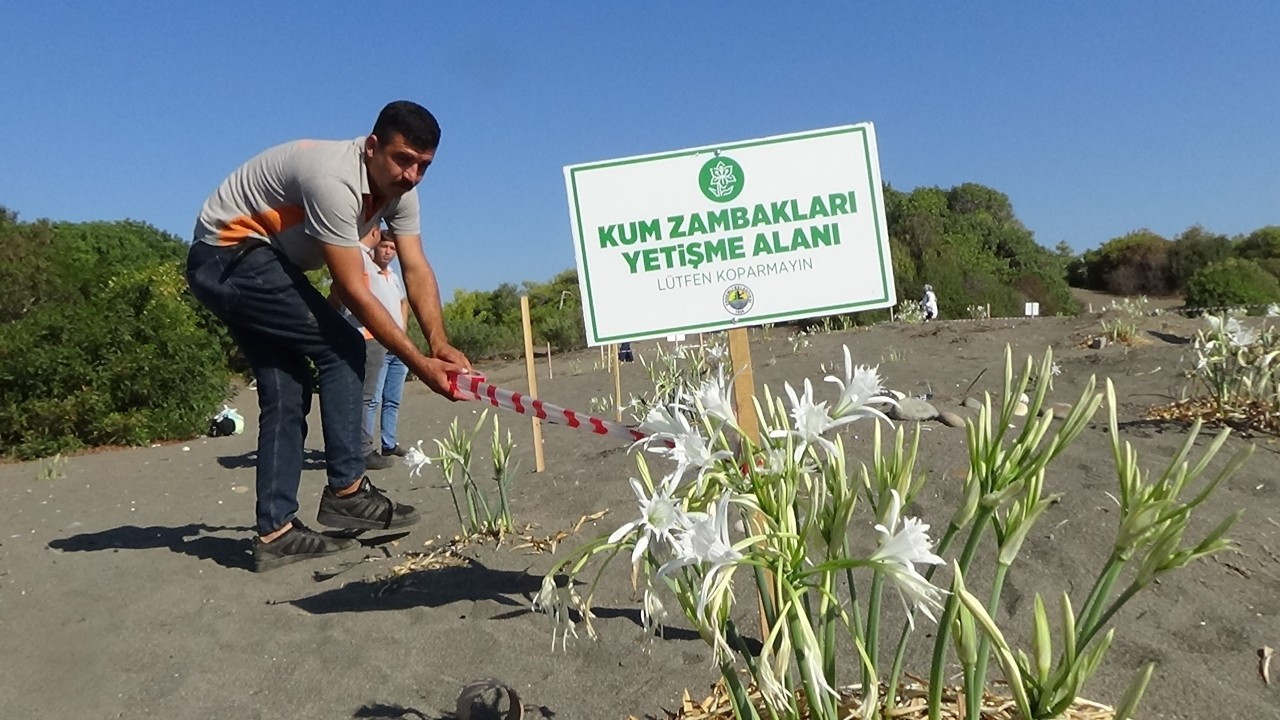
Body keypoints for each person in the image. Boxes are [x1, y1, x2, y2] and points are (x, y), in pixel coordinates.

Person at [186, 100, 472, 572]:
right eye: (403, 159)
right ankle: (347, 490)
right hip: (227, 254)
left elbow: (416, 268)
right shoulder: (333, 179)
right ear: (373, 146)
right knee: (342, 345)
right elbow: (355, 291)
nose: (413, 175)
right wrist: (422, 365)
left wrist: (438, 343)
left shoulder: (402, 192)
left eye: (424, 165)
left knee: (288, 384)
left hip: (263, 262)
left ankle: (275, 532)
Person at [328, 225, 409, 470]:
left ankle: (389, 442)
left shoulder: (393, 276)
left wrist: (402, 328)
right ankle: (364, 449)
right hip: (371, 339)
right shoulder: (363, 268)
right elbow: (339, 293)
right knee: (369, 397)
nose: (388, 252)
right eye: (385, 246)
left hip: (397, 343)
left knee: (392, 398)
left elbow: (404, 301)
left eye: (393, 248)